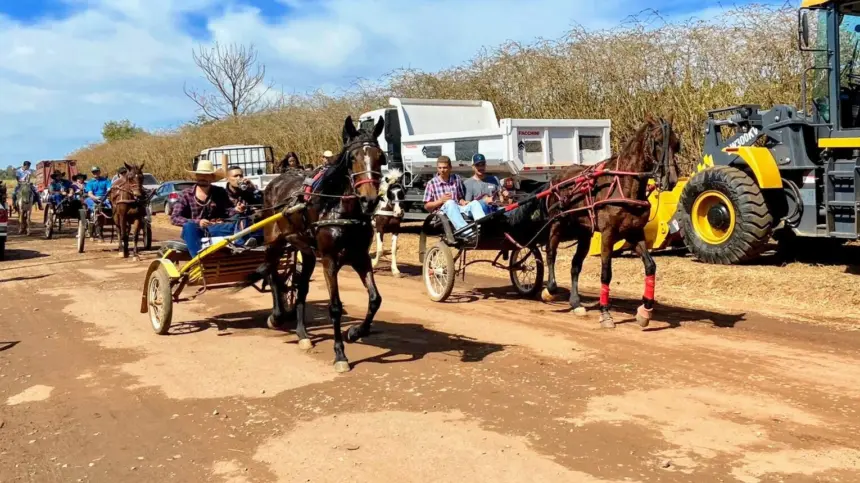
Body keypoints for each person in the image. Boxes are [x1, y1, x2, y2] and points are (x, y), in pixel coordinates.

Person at [169, 159, 252, 257]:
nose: (203, 177)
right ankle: (199, 260)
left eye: (206, 175)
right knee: (188, 226)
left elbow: (227, 211)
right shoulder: (185, 195)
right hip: (196, 230)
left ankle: (242, 247)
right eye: (200, 174)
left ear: (212, 177)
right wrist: (198, 222)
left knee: (243, 221)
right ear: (196, 176)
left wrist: (236, 210)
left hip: (217, 228)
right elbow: (175, 218)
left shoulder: (219, 192)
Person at [422, 155, 487, 233]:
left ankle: (483, 229)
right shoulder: (431, 183)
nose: (442, 170)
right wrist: (440, 201)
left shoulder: (456, 178)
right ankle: (467, 232)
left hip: (457, 208)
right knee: (450, 202)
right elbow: (426, 206)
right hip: (442, 214)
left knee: (475, 203)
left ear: (450, 168)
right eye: (440, 168)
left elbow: (459, 198)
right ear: (437, 168)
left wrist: (463, 202)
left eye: (445, 167)